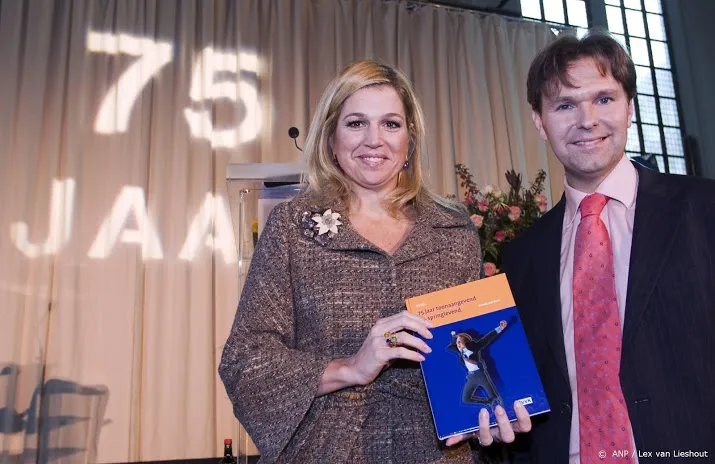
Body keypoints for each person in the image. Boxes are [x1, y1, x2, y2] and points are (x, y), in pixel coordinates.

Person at [218, 60, 529, 463]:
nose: (374, 140)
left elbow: (470, 344)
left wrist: (497, 414)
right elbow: (245, 361)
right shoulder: (292, 227)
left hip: (435, 454)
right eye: (356, 123)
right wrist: (350, 367)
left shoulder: (453, 230)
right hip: (324, 452)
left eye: (390, 124)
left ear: (410, 138)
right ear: (331, 138)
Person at [498, 31, 715, 463]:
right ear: (539, 122)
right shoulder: (521, 256)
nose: (587, 120)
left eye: (603, 99)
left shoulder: (704, 210)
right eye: (565, 105)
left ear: (629, 108)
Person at [447, 322, 507, 411]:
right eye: (457, 343)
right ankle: (487, 402)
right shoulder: (460, 351)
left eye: (459, 342)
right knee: (465, 399)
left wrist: (500, 328)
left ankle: (501, 408)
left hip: (481, 376)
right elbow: (451, 347)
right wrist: (454, 336)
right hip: (472, 377)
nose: (458, 344)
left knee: (495, 397)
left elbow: (487, 339)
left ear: (466, 342)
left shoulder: (474, 347)